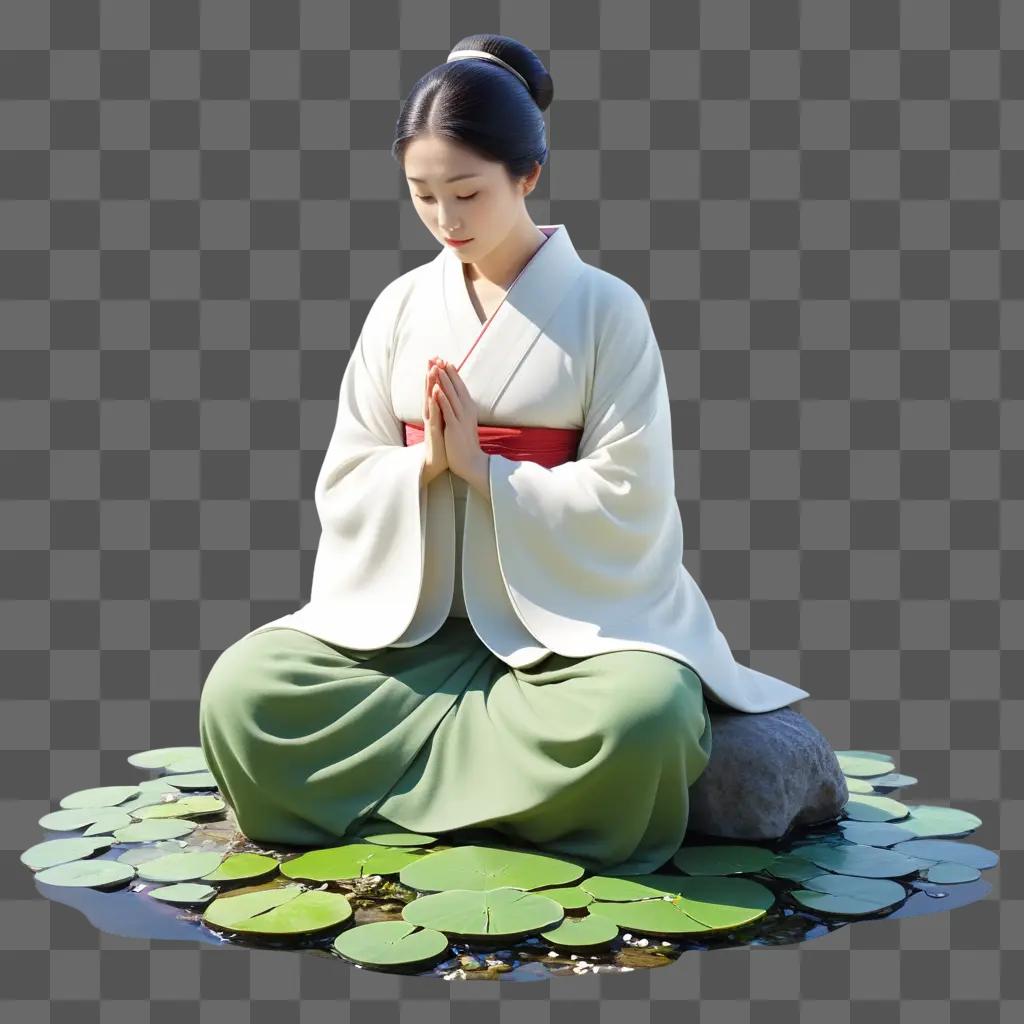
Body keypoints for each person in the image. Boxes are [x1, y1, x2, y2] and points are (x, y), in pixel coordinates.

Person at [199, 33, 810, 876]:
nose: (447, 221)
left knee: (647, 715)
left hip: (571, 640)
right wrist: (421, 467)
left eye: (467, 192)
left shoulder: (605, 310)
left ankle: (406, 807)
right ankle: (508, 810)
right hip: (410, 633)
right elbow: (344, 477)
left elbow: (633, 493)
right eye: (423, 196)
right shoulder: (399, 308)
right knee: (244, 691)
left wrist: (490, 473)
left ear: (527, 174)